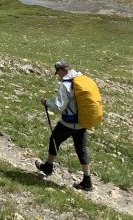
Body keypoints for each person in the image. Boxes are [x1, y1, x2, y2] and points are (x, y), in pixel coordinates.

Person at [35, 60, 93, 191]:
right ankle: (87, 180)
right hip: (82, 121)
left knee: (54, 140)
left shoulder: (66, 85)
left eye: (57, 73)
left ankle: (48, 167)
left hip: (69, 123)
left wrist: (46, 103)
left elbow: (58, 108)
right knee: (81, 149)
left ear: (61, 71)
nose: (58, 76)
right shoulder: (81, 79)